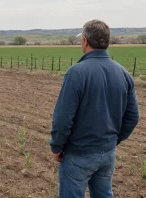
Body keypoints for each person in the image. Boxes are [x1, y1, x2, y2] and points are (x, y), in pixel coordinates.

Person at [49, 19, 139, 198]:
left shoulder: (76, 73)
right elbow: (132, 117)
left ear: (85, 41)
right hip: (107, 153)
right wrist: (113, 141)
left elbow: (62, 119)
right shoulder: (123, 73)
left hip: (78, 154)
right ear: (108, 42)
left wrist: (57, 146)